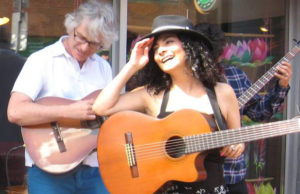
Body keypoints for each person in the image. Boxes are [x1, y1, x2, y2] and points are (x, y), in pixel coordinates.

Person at [93, 15, 244, 193]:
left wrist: (237, 146)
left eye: (169, 42)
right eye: (155, 48)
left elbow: (237, 140)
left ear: (190, 46)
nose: (161, 51)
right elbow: (101, 107)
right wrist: (132, 65)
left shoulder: (222, 92)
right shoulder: (152, 94)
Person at [7, 0, 118, 193]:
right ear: (72, 26)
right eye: (81, 37)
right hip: (49, 169)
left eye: (93, 44)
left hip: (95, 168)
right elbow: (15, 111)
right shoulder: (41, 60)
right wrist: (68, 111)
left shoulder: (103, 67)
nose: (84, 48)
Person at [195, 23, 292, 194]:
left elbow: (259, 113)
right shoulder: (181, 83)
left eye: (214, 57)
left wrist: (281, 86)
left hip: (232, 174)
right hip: (194, 177)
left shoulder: (235, 76)